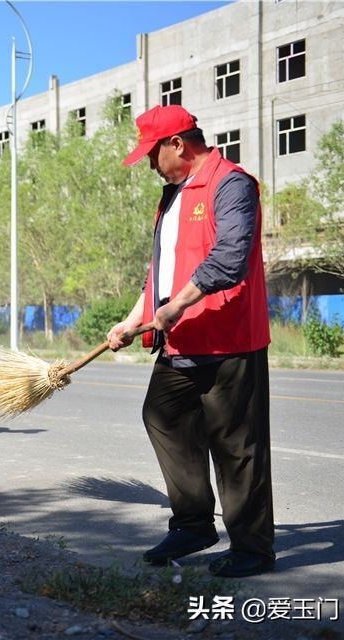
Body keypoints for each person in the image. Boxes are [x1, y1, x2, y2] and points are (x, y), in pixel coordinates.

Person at [107, 105, 273, 578]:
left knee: (237, 446)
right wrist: (131, 319)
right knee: (162, 414)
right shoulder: (171, 197)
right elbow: (159, 273)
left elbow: (230, 257)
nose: (147, 163)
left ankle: (253, 549)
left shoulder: (232, 184)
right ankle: (194, 523)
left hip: (228, 341)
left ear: (177, 143)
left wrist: (176, 306)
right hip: (179, 341)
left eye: (151, 153)